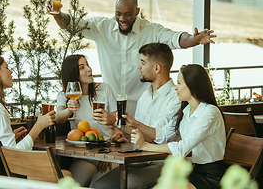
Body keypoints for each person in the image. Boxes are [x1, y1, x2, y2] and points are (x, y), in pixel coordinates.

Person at [49, 0, 217, 116]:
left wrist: (194, 39)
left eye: (127, 14)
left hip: (142, 112)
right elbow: (72, 25)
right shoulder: (102, 27)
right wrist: (57, 14)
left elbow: (175, 39)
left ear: (137, 12)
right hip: (111, 114)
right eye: (118, 13)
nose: (122, 18)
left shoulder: (150, 30)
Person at [93, 64, 226, 189]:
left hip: (210, 176)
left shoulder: (210, 112)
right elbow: (162, 134)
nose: (175, 88)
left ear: (192, 86)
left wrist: (145, 145)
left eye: (179, 83)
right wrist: (132, 123)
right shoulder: (185, 110)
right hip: (191, 171)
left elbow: (182, 147)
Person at [0, 55, 56, 176]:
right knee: (66, 175)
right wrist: (39, 126)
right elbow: (15, 155)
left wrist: (10, 137)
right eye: (7, 67)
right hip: (5, 177)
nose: (11, 71)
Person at [56, 54, 119, 187]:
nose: (89, 69)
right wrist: (68, 110)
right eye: (82, 67)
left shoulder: (104, 89)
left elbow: (117, 123)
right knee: (70, 185)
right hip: (83, 156)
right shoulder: (66, 95)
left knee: (96, 186)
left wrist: (110, 154)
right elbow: (58, 118)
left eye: (88, 65)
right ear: (73, 73)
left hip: (106, 154)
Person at [110, 42, 181, 143]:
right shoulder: (145, 96)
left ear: (157, 68)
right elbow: (139, 134)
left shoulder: (177, 98)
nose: (139, 66)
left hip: (162, 158)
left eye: (143, 63)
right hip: (139, 156)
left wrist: (114, 122)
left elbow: (156, 136)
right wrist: (126, 140)